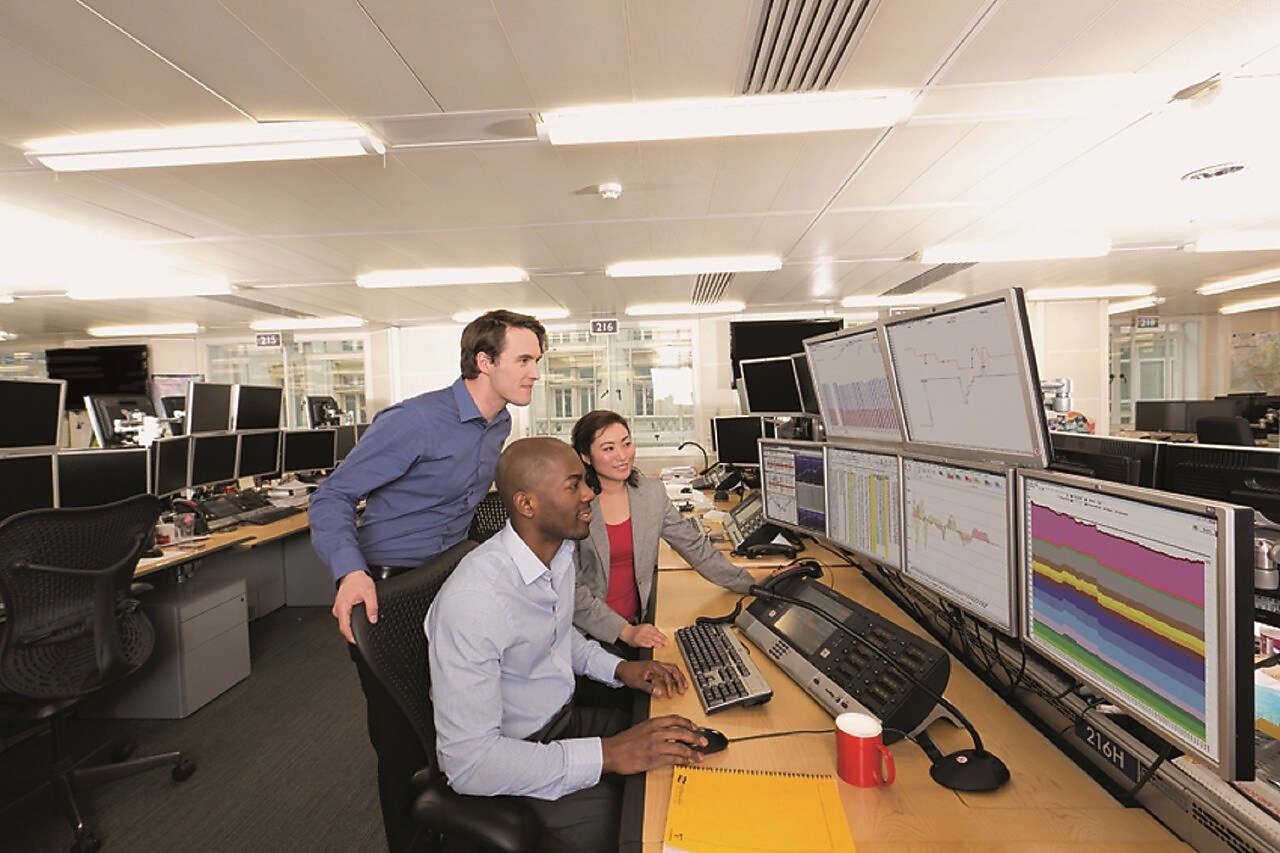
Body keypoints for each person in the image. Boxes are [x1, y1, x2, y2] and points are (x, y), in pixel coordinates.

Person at [308, 309, 547, 853]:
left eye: (537, 360)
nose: (535, 372)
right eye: (525, 360)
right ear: (484, 362)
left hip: (446, 580)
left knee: (458, 722)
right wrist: (350, 573)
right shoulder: (415, 421)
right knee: (401, 742)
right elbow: (332, 496)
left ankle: (454, 831)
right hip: (387, 590)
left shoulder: (501, 422)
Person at [426, 437, 707, 852]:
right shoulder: (475, 602)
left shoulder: (556, 554)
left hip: (560, 718)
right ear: (527, 504)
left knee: (683, 743)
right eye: (573, 485)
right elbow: (470, 763)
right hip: (513, 753)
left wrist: (617, 668)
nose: (590, 493)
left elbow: (555, 636)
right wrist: (608, 755)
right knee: (632, 830)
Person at [570, 410, 754, 649]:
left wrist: (751, 585)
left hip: (637, 625)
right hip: (589, 636)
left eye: (626, 444)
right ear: (586, 456)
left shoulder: (651, 494)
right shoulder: (575, 504)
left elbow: (694, 546)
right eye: (608, 449)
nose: (622, 456)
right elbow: (570, 590)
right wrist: (624, 632)